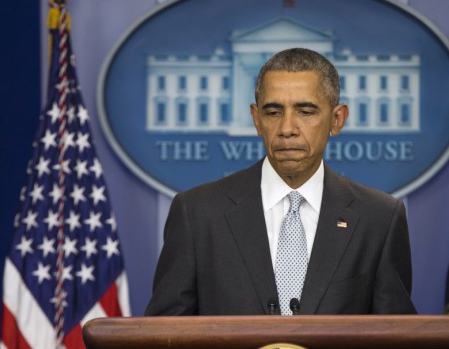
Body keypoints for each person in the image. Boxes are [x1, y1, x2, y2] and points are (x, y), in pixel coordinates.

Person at [145, 48, 416, 316]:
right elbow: (165, 337)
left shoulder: (379, 218)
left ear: (337, 119)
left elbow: (395, 338)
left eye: (305, 112)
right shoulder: (197, 214)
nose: (287, 128)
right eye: (273, 112)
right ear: (256, 119)